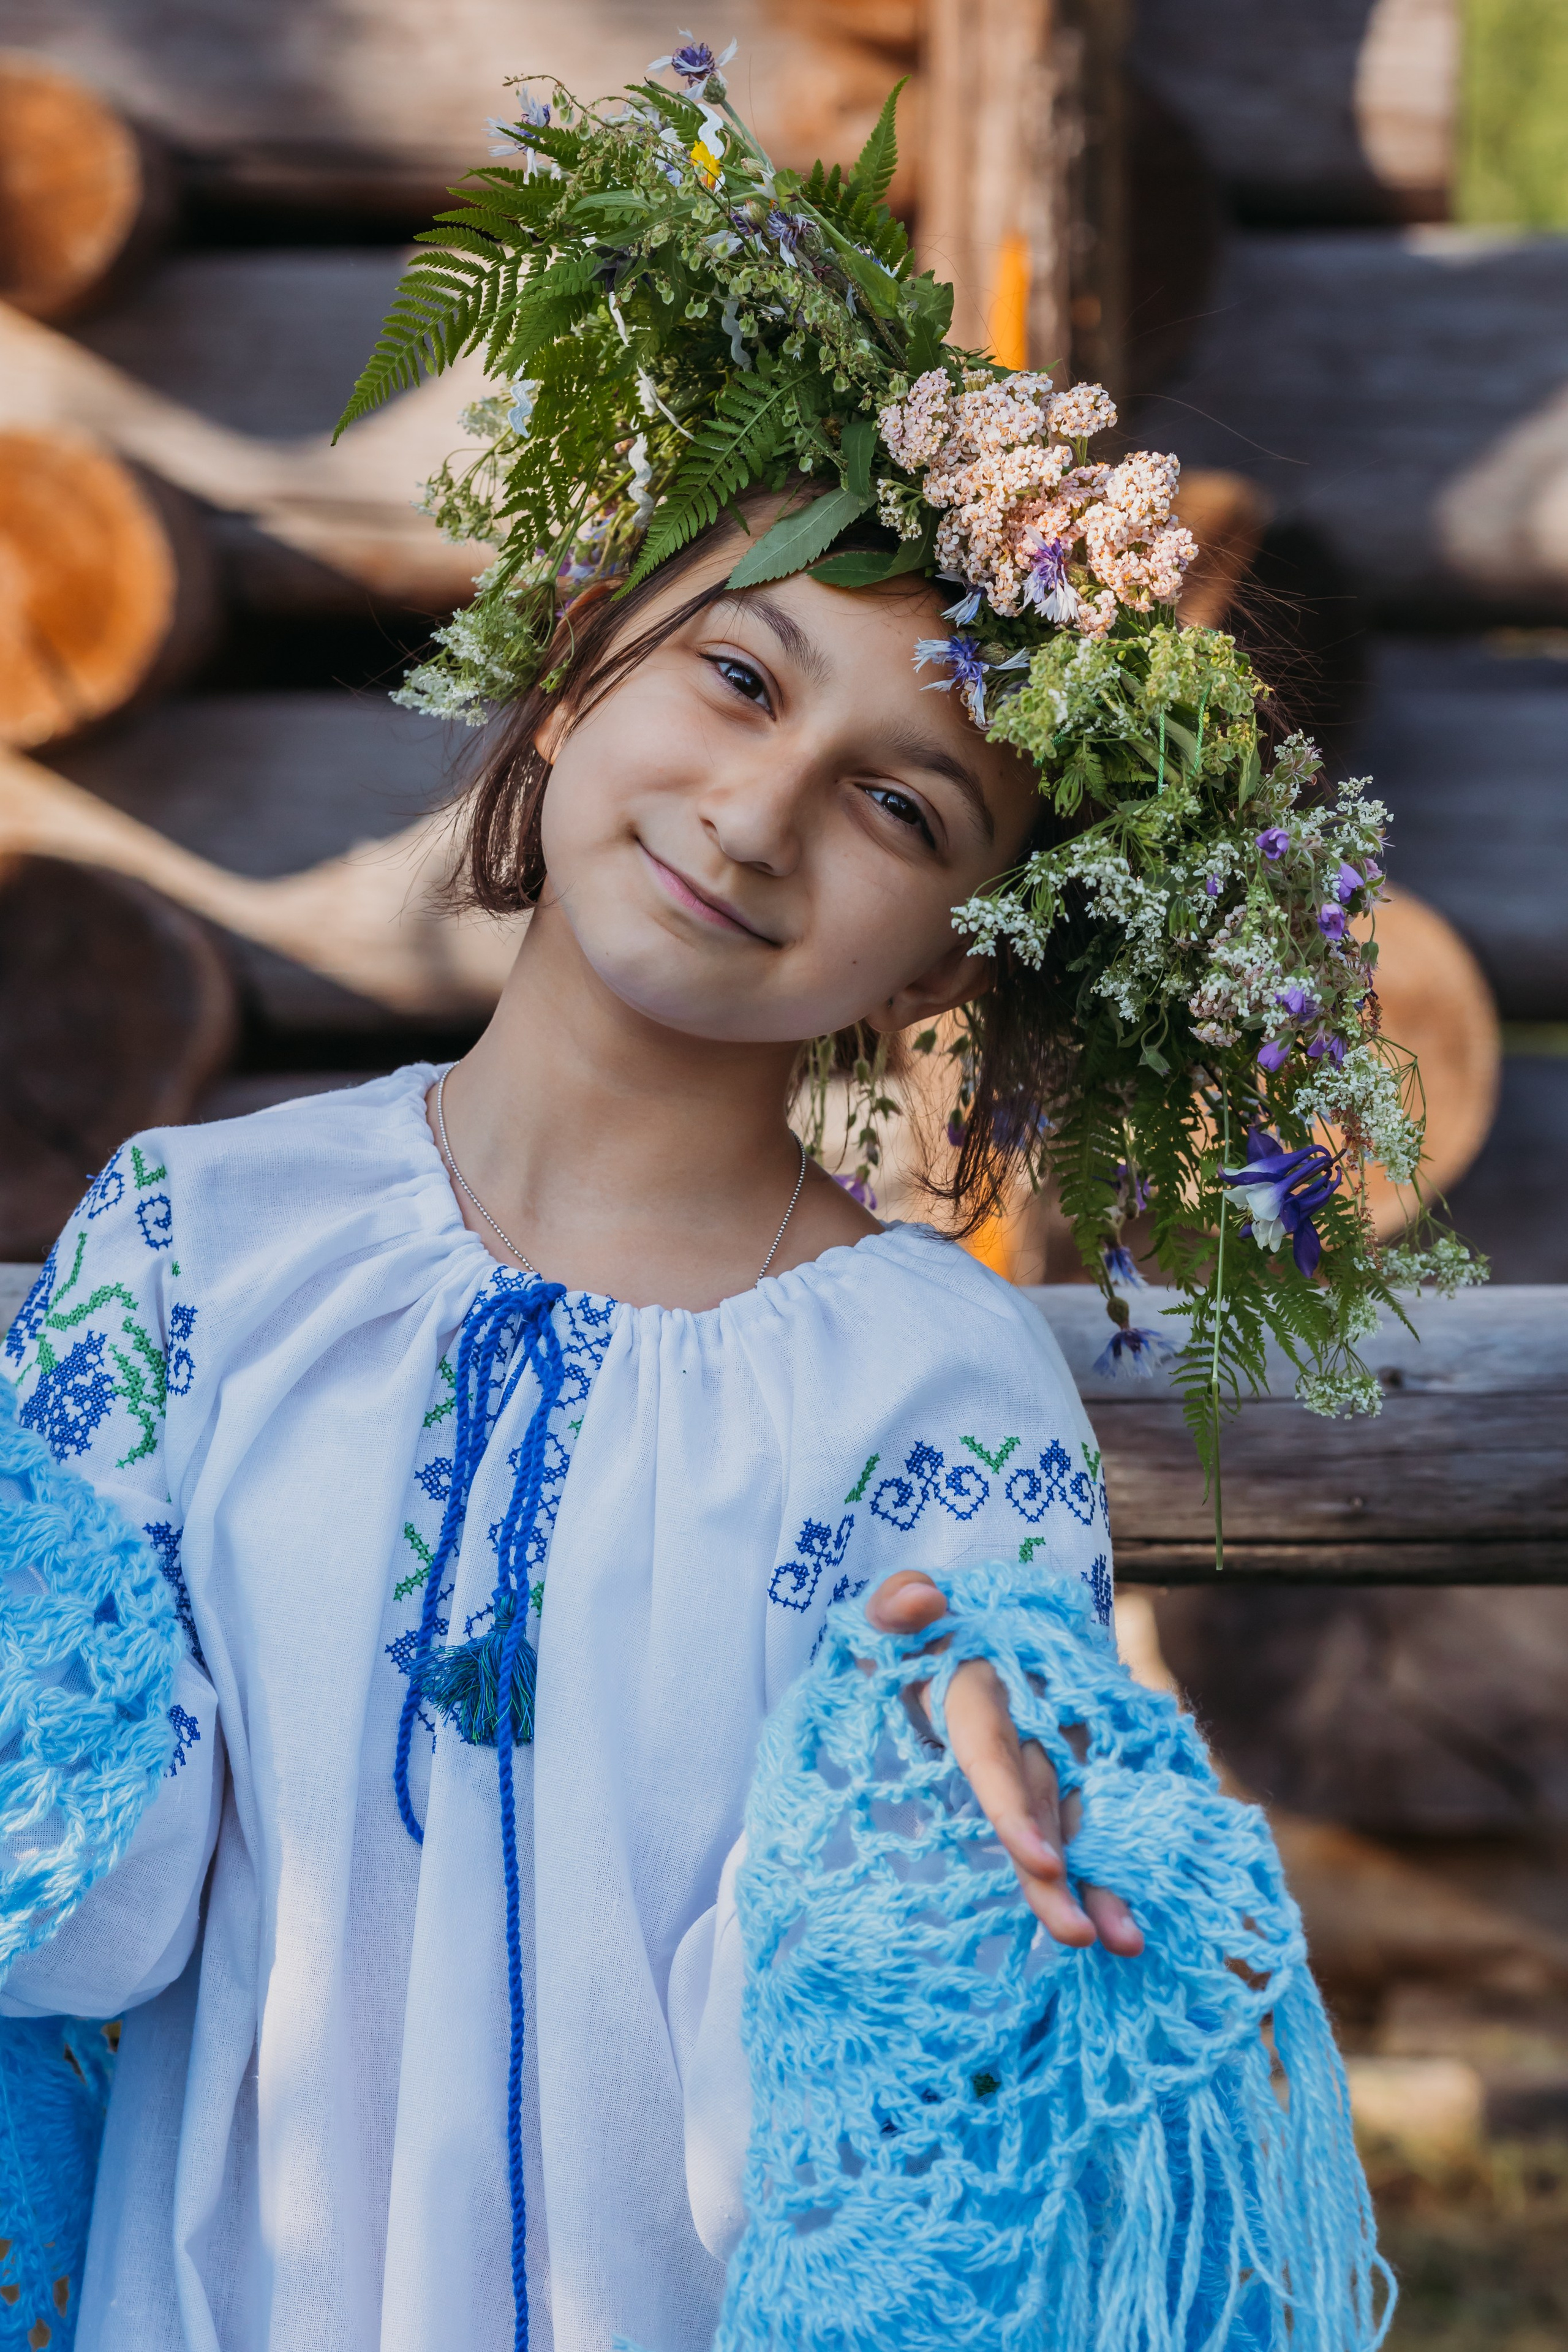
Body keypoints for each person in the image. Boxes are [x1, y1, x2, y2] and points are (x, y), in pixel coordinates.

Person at [2, 36, 1447, 2352]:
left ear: (967, 947)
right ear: (577, 680)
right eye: (739, 676)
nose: (764, 812)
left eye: (907, 809)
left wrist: (939, 1810)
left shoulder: (920, 1376)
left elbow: (887, 2049)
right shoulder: (196, 1243)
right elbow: (89, 1916)